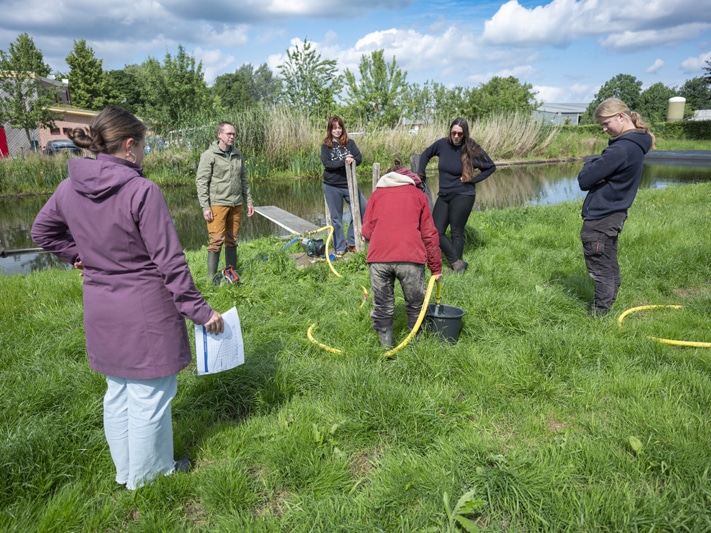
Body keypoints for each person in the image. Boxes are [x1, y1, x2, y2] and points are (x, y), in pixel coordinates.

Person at [31, 106, 224, 491]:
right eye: (145, 145)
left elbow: (42, 232)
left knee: (118, 391)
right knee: (151, 395)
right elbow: (170, 262)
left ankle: (126, 473)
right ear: (130, 146)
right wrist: (200, 312)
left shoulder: (69, 187)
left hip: (101, 308)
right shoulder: (142, 190)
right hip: (144, 311)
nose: (146, 153)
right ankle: (152, 479)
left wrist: (77, 254)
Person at [577, 98, 655, 317]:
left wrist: (590, 165)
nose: (604, 129)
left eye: (606, 123)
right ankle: (609, 303)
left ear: (621, 117)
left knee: (599, 264)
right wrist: (597, 169)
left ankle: (600, 313)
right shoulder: (637, 143)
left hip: (602, 215)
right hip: (616, 212)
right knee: (608, 259)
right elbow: (594, 176)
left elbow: (584, 180)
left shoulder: (621, 149)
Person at [362, 159, 443, 347]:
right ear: (409, 178)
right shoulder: (418, 195)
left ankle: (386, 348)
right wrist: (436, 269)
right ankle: (415, 347)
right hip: (410, 258)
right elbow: (430, 235)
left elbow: (366, 232)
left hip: (379, 259)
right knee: (415, 305)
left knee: (382, 306)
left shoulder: (376, 195)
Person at [418, 117, 496, 273]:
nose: (456, 136)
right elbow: (425, 154)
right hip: (445, 194)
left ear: (464, 134)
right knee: (434, 230)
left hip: (463, 194)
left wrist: (472, 179)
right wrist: (421, 173)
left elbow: (490, 167)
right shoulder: (442, 144)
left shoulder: (471, 147)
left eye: (460, 134)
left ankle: (456, 267)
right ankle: (457, 262)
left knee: (456, 231)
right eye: (453, 132)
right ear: (450, 131)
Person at [196, 121, 254, 280]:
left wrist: (249, 201)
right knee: (216, 241)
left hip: (236, 204)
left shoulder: (237, 153)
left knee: (232, 240)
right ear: (219, 134)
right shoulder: (209, 155)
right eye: (229, 134)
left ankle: (231, 274)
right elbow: (201, 182)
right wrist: (205, 207)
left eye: (233, 134)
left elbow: (244, 179)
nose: (232, 137)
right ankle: (210, 278)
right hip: (218, 204)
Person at [320, 115, 367, 256]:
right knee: (336, 218)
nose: (337, 130)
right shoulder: (325, 146)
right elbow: (327, 164)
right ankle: (340, 247)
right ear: (330, 129)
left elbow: (359, 158)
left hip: (349, 185)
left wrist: (352, 159)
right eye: (334, 128)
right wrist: (344, 161)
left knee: (363, 209)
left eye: (339, 127)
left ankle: (352, 241)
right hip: (332, 185)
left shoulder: (349, 143)